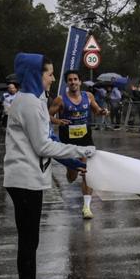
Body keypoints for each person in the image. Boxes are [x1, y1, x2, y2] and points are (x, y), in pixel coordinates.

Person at [4, 53, 95, 279]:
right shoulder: (29, 103)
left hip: (27, 178)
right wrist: (83, 151)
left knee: (29, 242)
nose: (53, 78)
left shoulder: (34, 101)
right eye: (49, 74)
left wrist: (71, 160)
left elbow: (48, 138)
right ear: (35, 75)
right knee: (29, 242)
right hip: (25, 180)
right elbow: (42, 146)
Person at [49, 70, 108, 220]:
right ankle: (70, 171)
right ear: (67, 83)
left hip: (86, 138)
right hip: (68, 140)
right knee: (73, 175)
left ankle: (86, 207)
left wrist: (102, 111)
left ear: (80, 82)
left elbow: (96, 110)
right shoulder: (60, 100)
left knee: (88, 172)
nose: (73, 82)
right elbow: (46, 116)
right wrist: (58, 121)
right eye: (70, 80)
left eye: (76, 79)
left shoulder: (88, 96)